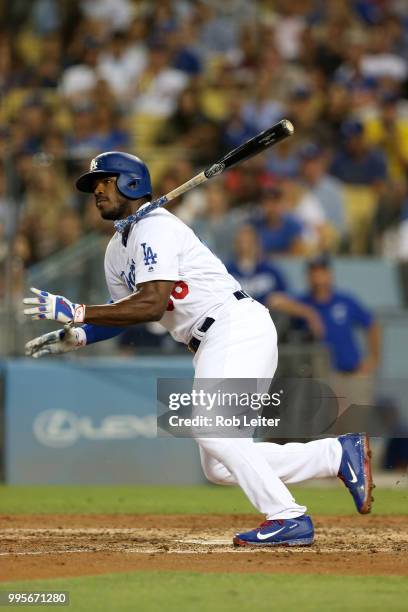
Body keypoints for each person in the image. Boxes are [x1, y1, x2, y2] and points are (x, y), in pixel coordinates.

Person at [23, 151, 373, 547]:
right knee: (220, 466)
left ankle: (288, 516)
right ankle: (334, 456)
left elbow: (154, 303)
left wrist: (78, 310)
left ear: (131, 183)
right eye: (93, 186)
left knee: (216, 433)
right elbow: (128, 312)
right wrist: (81, 333)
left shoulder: (155, 227)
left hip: (233, 325)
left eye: (104, 181)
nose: (97, 191)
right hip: (211, 340)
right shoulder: (116, 251)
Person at [296, 255, 381, 375]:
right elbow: (275, 301)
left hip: (353, 373)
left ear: (330, 274)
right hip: (320, 375)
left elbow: (372, 324)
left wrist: (374, 358)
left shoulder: (345, 300)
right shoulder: (302, 302)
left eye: (322, 273)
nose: (318, 278)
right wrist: (308, 313)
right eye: (314, 273)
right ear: (308, 276)